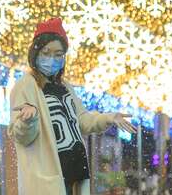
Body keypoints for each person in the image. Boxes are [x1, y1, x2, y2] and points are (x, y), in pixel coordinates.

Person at [8, 18, 137, 195]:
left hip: (74, 171)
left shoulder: (65, 86)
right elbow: (20, 136)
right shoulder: (25, 86)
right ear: (35, 53)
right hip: (49, 180)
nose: (52, 59)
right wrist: (28, 120)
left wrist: (108, 117)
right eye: (46, 52)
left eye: (58, 54)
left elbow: (82, 120)